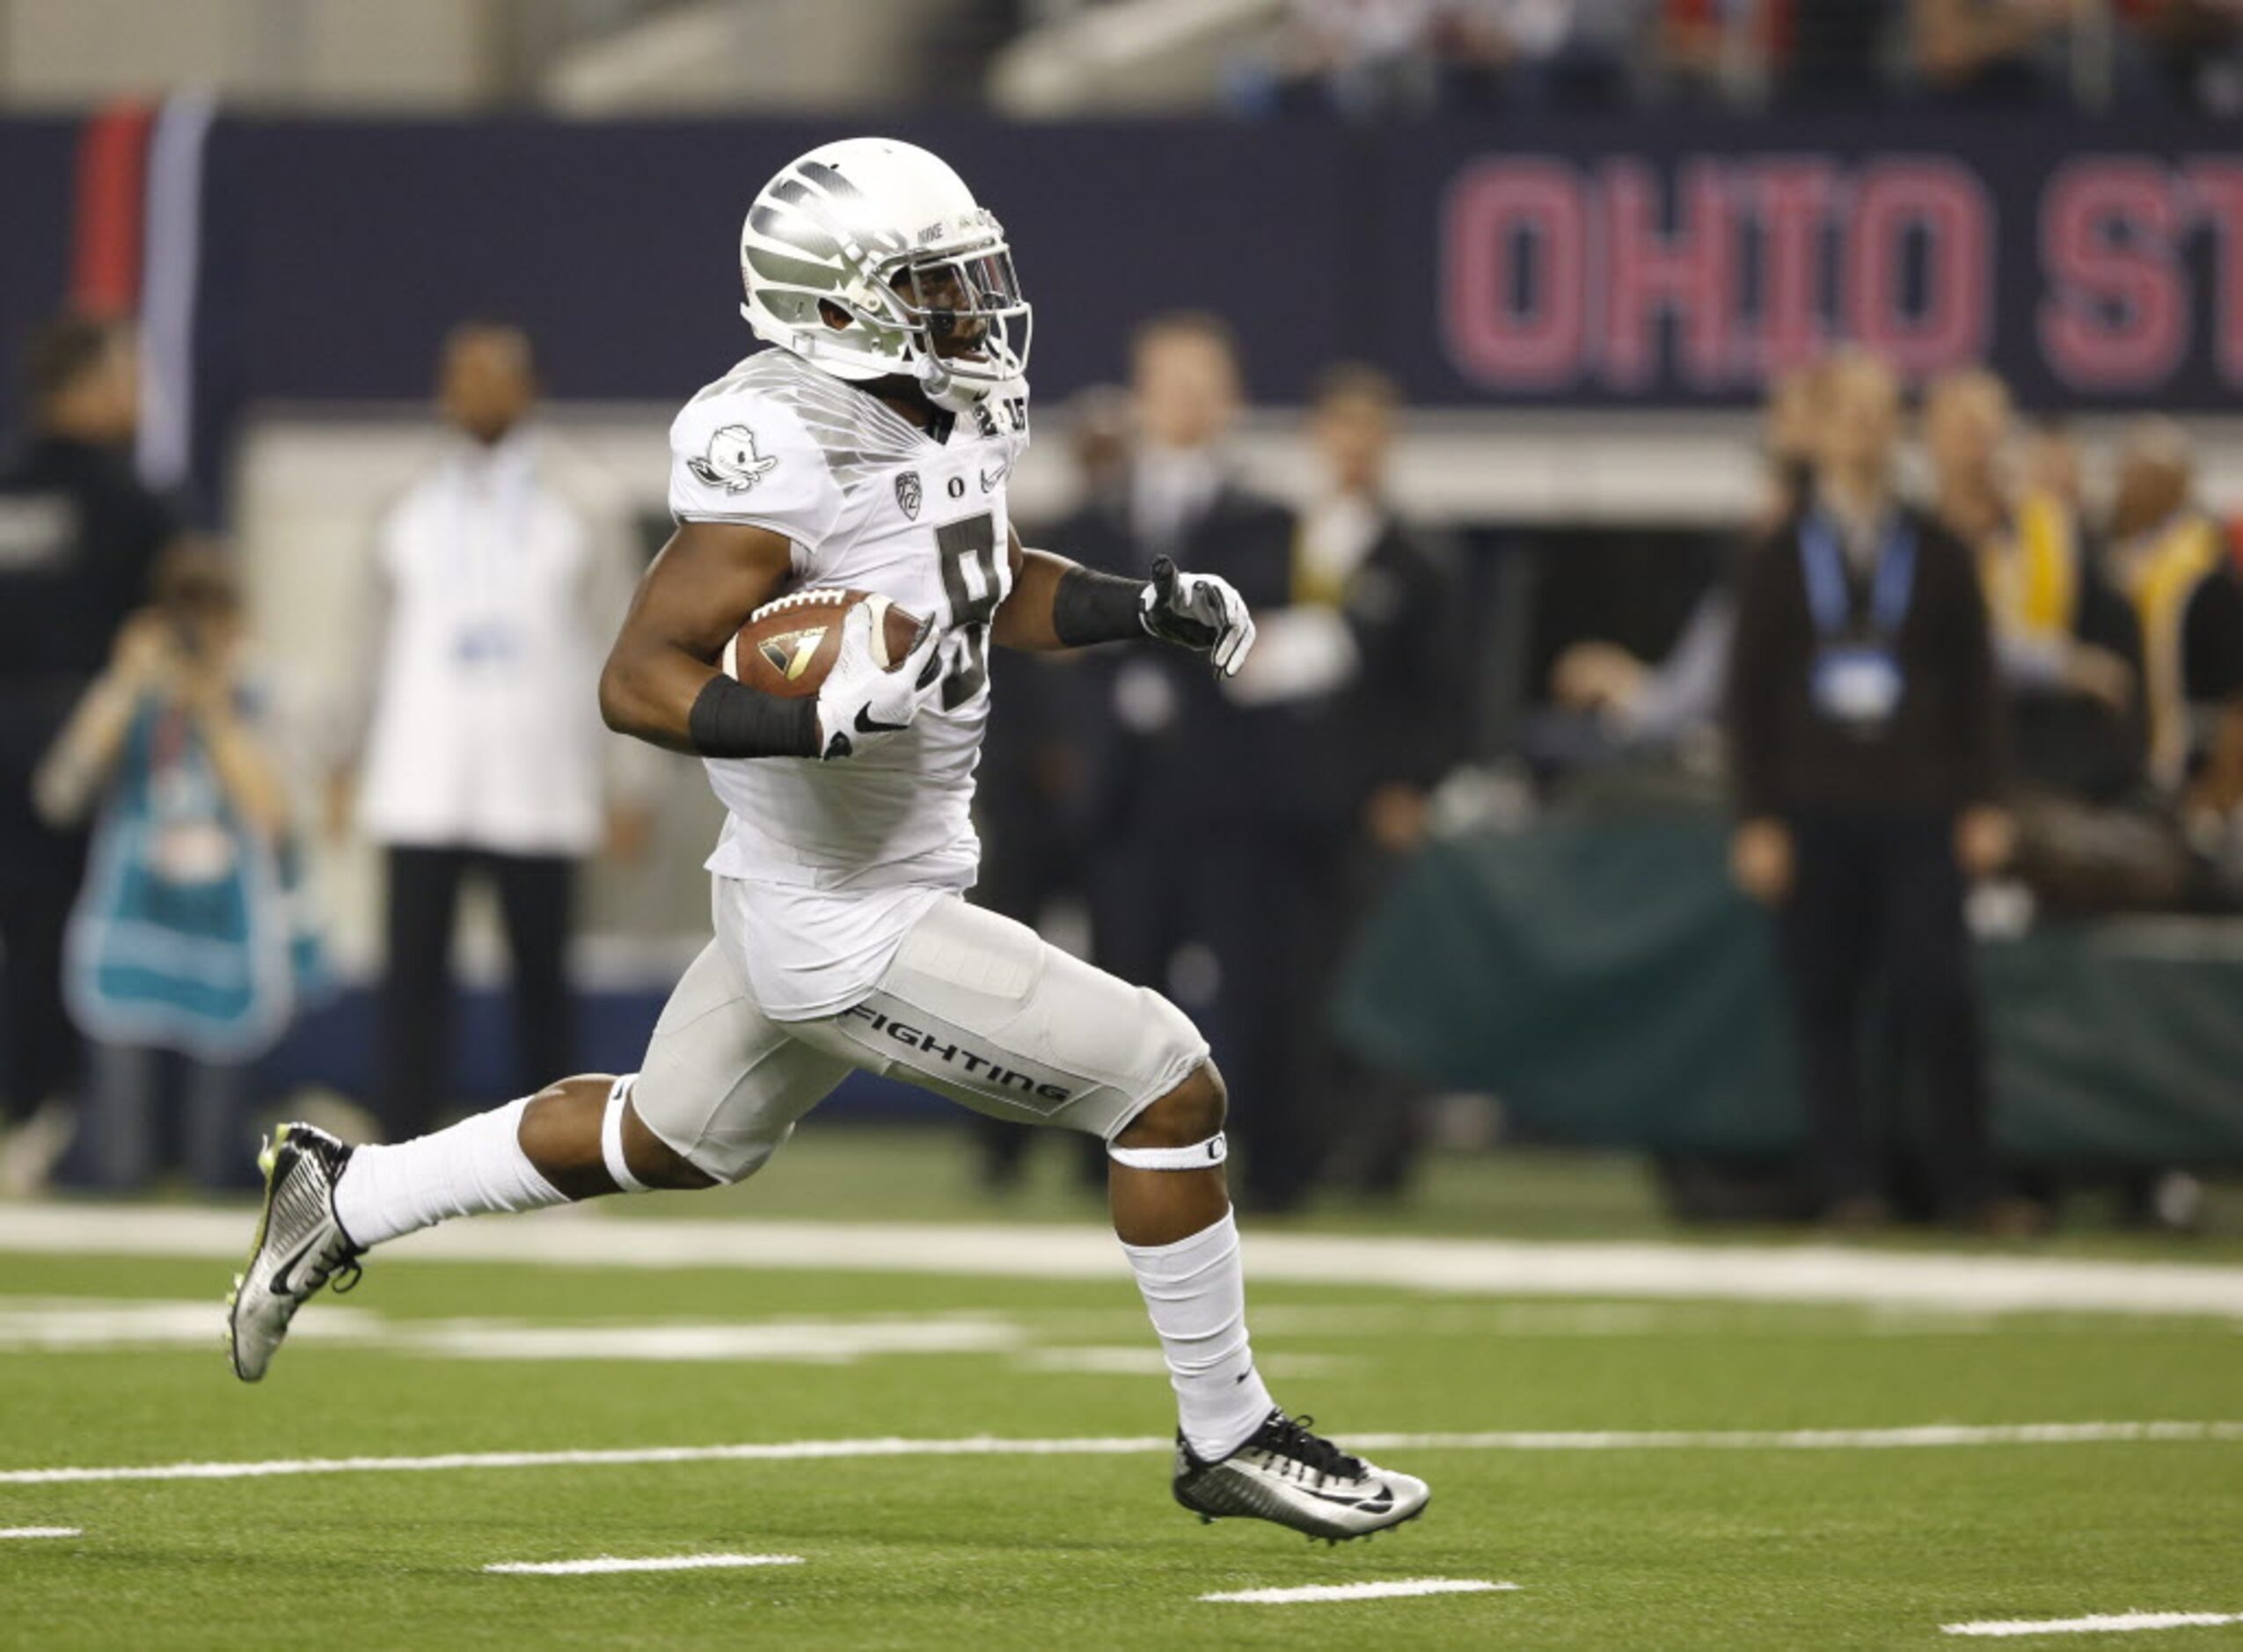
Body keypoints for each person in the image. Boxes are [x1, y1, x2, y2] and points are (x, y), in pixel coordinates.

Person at [229, 137, 1429, 1543]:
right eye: (934, 279)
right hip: (842, 908)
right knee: (1168, 1087)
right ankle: (1228, 1432)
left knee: (666, 1134)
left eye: (968, 268)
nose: (976, 298)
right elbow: (637, 676)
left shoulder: (952, 405)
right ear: (835, 303)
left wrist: (1129, 604)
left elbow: (977, 583)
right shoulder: (785, 434)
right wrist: (809, 722)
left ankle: (348, 1190)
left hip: (826, 880)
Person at [330, 324, 657, 1142]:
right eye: (459, 376)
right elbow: (364, 640)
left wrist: (630, 778)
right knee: (411, 976)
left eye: (491, 376)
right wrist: (340, 753)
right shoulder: (403, 501)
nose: (471, 392)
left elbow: (624, 643)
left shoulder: (583, 501)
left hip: (538, 777)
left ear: (530, 388)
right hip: (421, 772)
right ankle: (401, 1139)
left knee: (544, 976)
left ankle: (556, 1147)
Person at [1725, 351, 2023, 1232]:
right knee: (1826, 1003)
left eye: (1882, 412)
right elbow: (1748, 696)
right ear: (1818, 426)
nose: (1866, 429)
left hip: (1919, 802)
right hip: (1814, 805)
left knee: (1938, 993)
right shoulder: (1779, 554)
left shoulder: (1935, 550)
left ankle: (1966, 1184)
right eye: (1849, 411)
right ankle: (1848, 1184)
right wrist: (1757, 817)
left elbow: (1978, 683)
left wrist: (1985, 801)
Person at [33, 543, 300, 1190]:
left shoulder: (254, 696)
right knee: (120, 1168)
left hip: (221, 946)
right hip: (134, 935)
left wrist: (213, 710)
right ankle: (67, 1135)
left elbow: (275, 818)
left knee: (217, 1169)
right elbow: (58, 795)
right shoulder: (131, 692)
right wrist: (123, 689)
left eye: (212, 616)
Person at [0, 314, 184, 1195]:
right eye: (128, 377)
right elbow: (172, 629)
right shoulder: (130, 503)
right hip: (88, 744)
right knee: (75, 935)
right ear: (92, 386)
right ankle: (59, 1112)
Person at [1922, 369, 2142, 800]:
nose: (1976, 446)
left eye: (1986, 429)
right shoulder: (1914, 539)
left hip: (2049, 762)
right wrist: (2060, 666)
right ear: (1930, 438)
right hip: (1942, 752)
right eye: (1962, 429)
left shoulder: (2051, 531)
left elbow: (2110, 660)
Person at [2102, 420, 2243, 828]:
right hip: (2130, 766)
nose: (2123, 490)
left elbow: (2236, 693)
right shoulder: (2122, 562)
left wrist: (2219, 785)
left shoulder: (2207, 573)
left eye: (2135, 477)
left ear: (2173, 485)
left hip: (2194, 768)